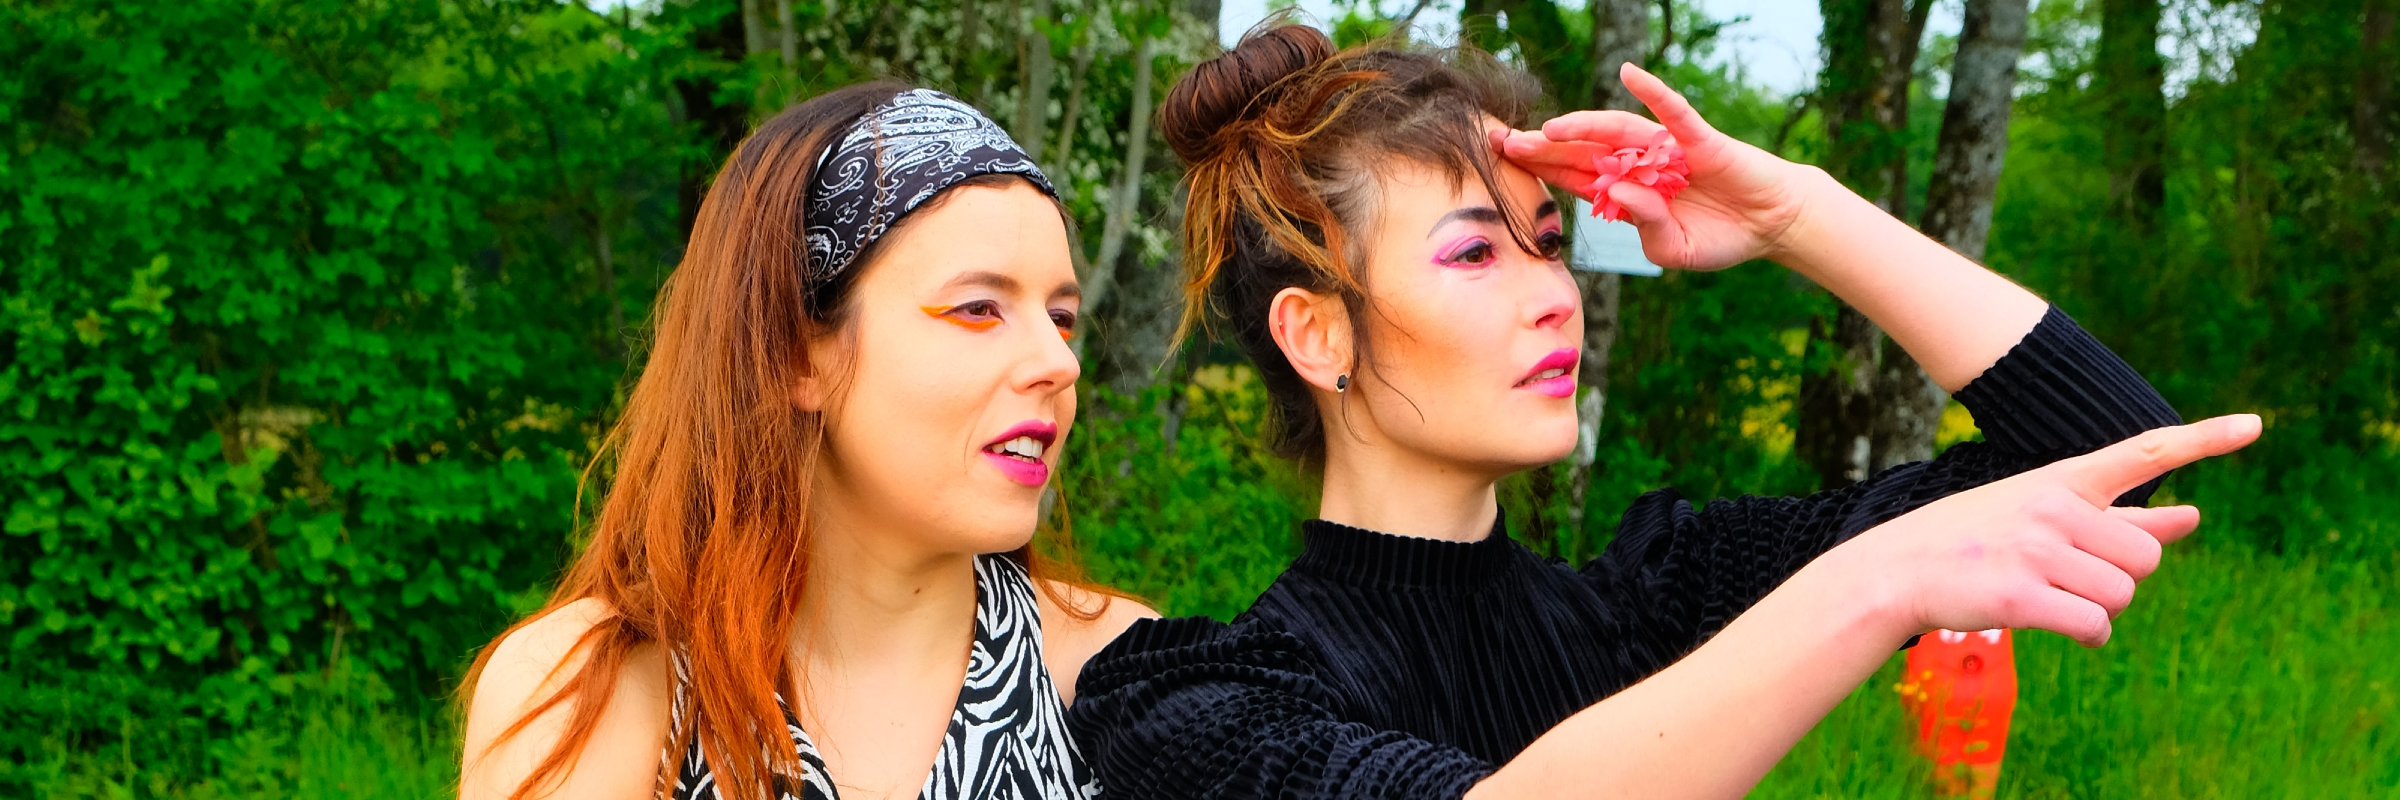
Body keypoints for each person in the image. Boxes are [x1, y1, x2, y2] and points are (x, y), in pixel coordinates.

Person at [1065, 25, 2258, 799]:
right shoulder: (1199, 713)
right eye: (1478, 254)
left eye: (1548, 242)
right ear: (1318, 334)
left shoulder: (1653, 601)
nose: (1555, 294)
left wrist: (1800, 214)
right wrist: (1876, 580)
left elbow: (2110, 451)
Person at [458, 83, 1153, 800]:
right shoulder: (592, 692)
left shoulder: (1129, 676)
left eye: (1062, 317)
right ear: (793, 353)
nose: (1059, 363)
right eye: (979, 308)